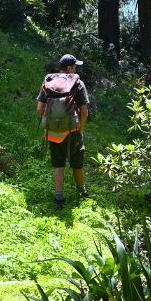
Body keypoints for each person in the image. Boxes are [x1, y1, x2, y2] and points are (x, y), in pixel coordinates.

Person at [36, 53, 90, 209]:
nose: (75, 69)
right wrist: (80, 128)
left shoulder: (49, 82)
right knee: (77, 163)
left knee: (58, 164)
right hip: (73, 129)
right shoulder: (77, 83)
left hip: (53, 131)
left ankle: (59, 197)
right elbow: (84, 111)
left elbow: (39, 109)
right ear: (69, 68)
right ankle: (82, 192)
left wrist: (53, 122)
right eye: (75, 66)